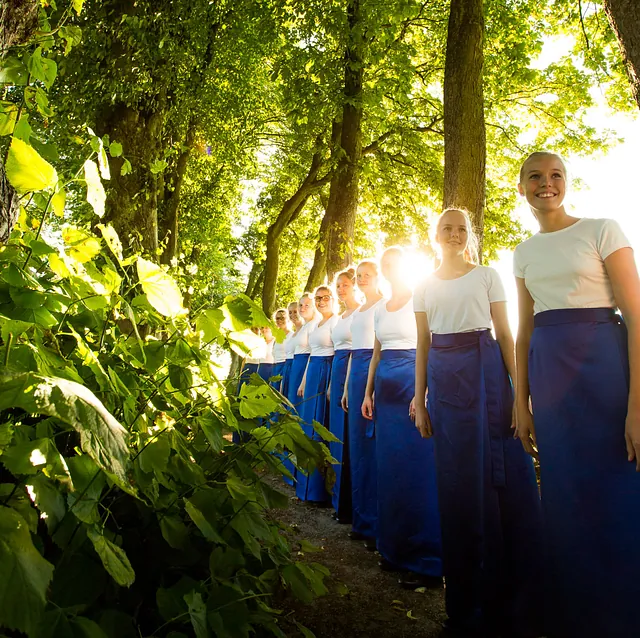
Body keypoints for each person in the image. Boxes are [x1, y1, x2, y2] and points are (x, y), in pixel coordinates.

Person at [514, 152, 640, 638]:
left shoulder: (602, 229)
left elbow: (634, 315)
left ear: (566, 183)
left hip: (605, 373)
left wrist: (636, 406)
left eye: (556, 176)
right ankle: (574, 614)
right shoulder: (522, 252)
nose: (547, 184)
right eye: (536, 177)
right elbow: (523, 333)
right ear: (522, 187)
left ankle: (624, 612)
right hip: (548, 380)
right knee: (564, 496)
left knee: (618, 488)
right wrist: (519, 403)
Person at [414, 208, 542, 637]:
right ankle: (465, 602)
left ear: (469, 235)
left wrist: (518, 393)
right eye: (447, 228)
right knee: (458, 485)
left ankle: (513, 601)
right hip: (445, 384)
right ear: (435, 235)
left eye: (461, 229)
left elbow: (506, 335)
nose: (454, 234)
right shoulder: (423, 286)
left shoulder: (487, 275)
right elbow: (422, 345)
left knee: (502, 480)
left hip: (488, 376)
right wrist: (420, 397)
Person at [361, 247, 443, 590]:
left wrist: (422, 393)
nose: (392, 269)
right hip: (385, 393)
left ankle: (425, 561)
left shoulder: (421, 299)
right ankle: (393, 550)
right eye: (387, 265)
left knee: (417, 472)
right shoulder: (380, 309)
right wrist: (368, 392)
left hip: (413, 385)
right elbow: (377, 354)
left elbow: (431, 344)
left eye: (397, 264)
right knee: (390, 471)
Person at [347, 260, 384, 550]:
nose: (361, 280)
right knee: (357, 448)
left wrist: (368, 389)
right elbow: (350, 352)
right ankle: (360, 520)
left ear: (377, 277)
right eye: (358, 276)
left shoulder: (382, 306)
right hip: (354, 371)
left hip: (373, 373)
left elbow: (378, 349)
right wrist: (348, 387)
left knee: (373, 449)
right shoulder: (358, 310)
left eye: (366, 275)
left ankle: (377, 524)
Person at [296, 286, 338, 503]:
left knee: (320, 429)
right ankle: (305, 488)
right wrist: (303, 382)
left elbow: (337, 351)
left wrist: (330, 383)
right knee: (307, 427)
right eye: (318, 298)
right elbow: (311, 355)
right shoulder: (316, 325)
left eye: (325, 298)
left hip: (326, 370)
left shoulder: (335, 321)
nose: (322, 301)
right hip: (312, 373)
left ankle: (319, 491)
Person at [328, 268, 360, 523]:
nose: (341, 289)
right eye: (338, 286)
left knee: (350, 437)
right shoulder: (339, 317)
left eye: (345, 285)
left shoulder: (360, 312)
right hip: (336, 370)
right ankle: (337, 499)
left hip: (352, 370)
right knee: (337, 436)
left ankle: (350, 503)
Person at [281, 302, 303, 486]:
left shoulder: (305, 330)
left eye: (296, 311)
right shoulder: (292, 335)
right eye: (291, 312)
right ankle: (288, 465)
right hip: (289, 370)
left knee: (297, 417)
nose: (293, 314)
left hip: (299, 371)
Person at [272, 308, 290, 393]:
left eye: (282, 318)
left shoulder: (291, 335)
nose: (279, 320)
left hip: (284, 367)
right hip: (275, 367)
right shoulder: (275, 336)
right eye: (277, 318)